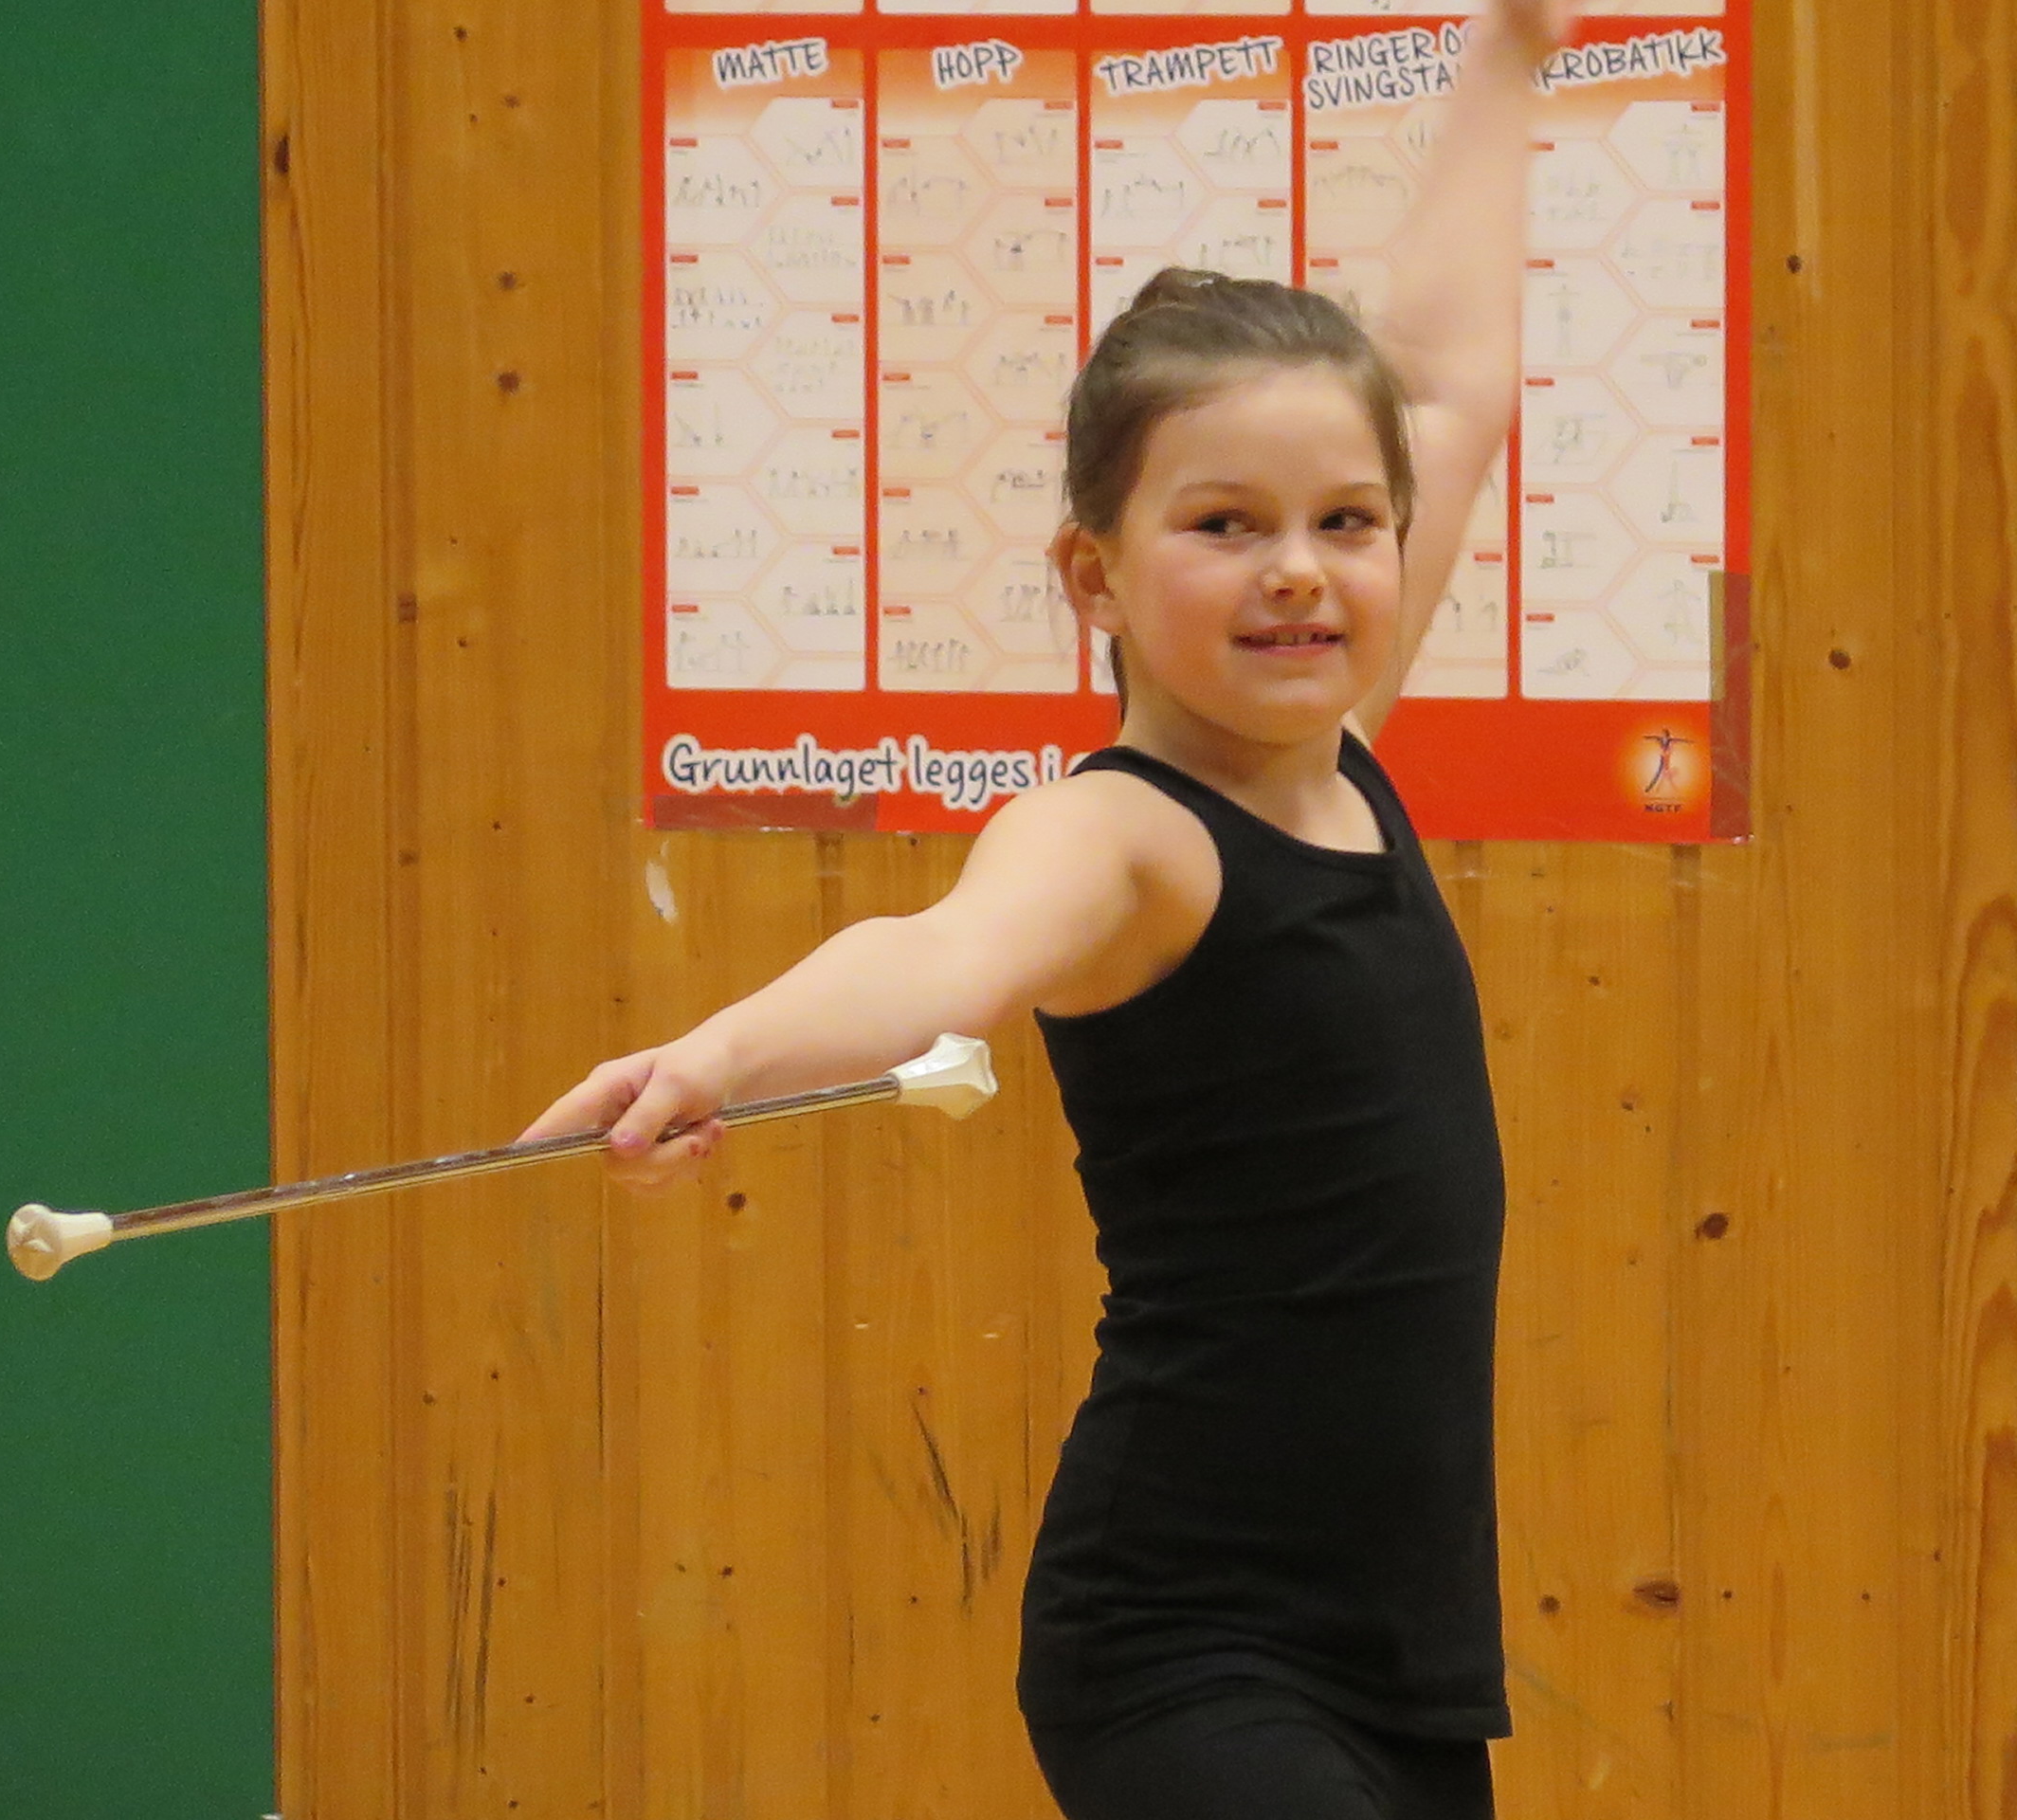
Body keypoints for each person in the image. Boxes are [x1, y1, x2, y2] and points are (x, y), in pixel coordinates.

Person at [524, 1, 1572, 1811]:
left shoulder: (1337, 766)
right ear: (1094, 572)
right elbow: (938, 954)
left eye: (1346, 521)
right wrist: (720, 1056)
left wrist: (1519, 50)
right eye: (1224, 525)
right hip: (1190, 1643)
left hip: (1398, 1659)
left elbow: (1451, 379)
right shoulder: (1125, 836)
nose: (1298, 569)